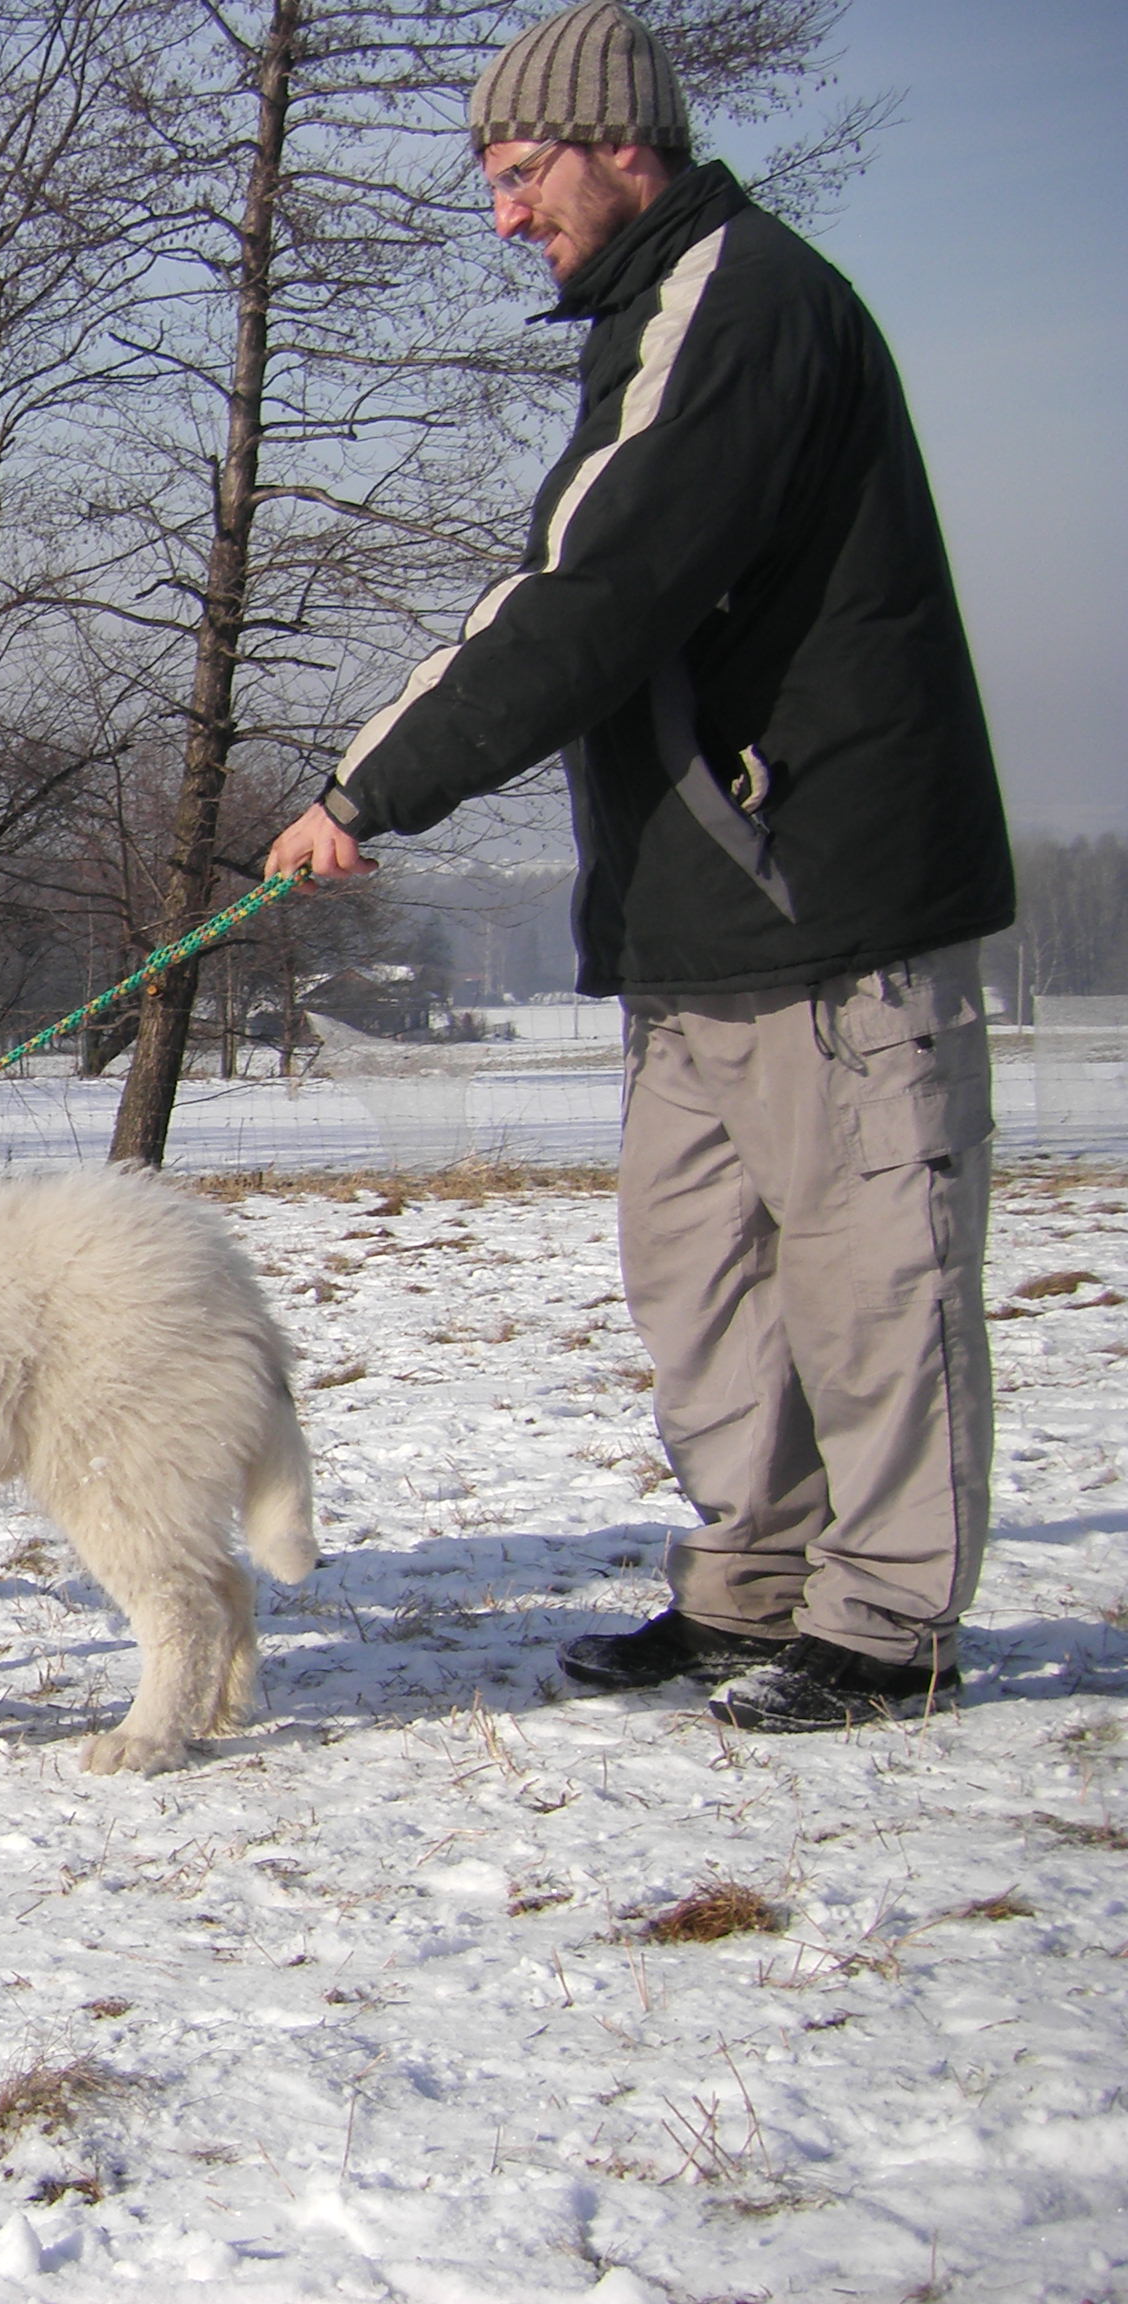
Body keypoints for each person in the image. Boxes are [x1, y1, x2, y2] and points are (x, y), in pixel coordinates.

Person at [263, 1, 1011, 1733]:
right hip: (696, 914)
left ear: (623, 145)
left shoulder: (738, 303)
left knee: (870, 1266)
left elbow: (586, 595)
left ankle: (888, 1625)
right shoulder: (655, 319)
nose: (503, 216)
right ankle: (752, 1581)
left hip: (827, 897)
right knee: (706, 1276)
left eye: (521, 175)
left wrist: (367, 790)